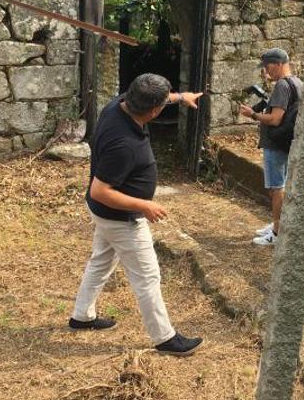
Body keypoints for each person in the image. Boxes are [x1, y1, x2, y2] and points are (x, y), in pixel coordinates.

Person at [69, 73, 204, 357]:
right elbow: (100, 191)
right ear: (154, 111)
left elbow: (157, 97)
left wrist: (181, 97)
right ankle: (165, 338)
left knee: (101, 261)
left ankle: (82, 315)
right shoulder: (124, 144)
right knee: (148, 276)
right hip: (120, 218)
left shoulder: (118, 104)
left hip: (104, 215)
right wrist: (145, 205)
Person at [238, 48, 303, 246]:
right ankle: (278, 224)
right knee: (280, 185)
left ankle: (276, 232)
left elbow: (275, 119)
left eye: (268, 66)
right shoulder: (298, 82)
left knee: (277, 188)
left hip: (276, 143)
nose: (266, 71)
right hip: (286, 142)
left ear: (278, 64)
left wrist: (253, 114)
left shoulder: (283, 85)